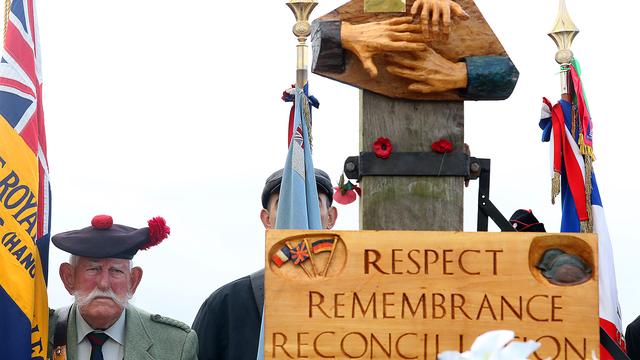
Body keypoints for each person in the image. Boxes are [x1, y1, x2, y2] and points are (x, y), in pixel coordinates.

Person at [191, 168, 338, 360]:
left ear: (331, 217)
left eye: (311, 202)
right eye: (285, 203)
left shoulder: (361, 302)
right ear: (267, 219)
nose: (299, 213)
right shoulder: (224, 305)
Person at [48, 215, 198, 360]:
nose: (104, 283)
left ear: (133, 281)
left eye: (116, 271)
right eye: (93, 269)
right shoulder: (35, 332)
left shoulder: (176, 345)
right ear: (69, 278)